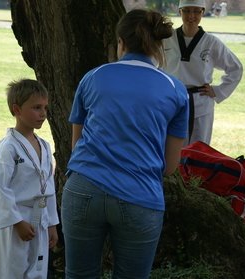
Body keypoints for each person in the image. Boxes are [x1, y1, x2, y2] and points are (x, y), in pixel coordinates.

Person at [62, 9, 189, 279]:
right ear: (158, 45)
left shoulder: (92, 77)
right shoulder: (175, 89)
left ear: (121, 42)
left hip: (83, 189)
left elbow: (77, 145)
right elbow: (170, 166)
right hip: (140, 196)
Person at [0, 79, 59, 279]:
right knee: (12, 269)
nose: (43, 113)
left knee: (37, 269)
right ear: (17, 109)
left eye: (45, 107)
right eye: (36, 108)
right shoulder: (7, 148)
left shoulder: (43, 145)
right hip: (16, 220)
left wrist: (52, 223)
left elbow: (48, 187)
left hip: (40, 219)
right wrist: (16, 222)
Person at [163, 0, 242, 145]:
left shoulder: (211, 42)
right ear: (180, 12)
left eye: (196, 11)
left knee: (199, 149)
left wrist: (218, 91)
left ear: (203, 12)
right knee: (170, 148)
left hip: (200, 102)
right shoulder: (167, 40)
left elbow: (236, 68)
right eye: (186, 11)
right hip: (171, 101)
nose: (191, 16)